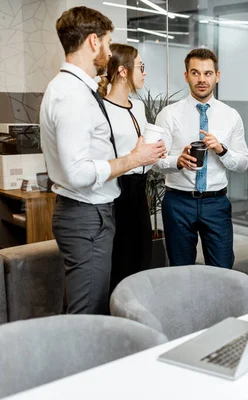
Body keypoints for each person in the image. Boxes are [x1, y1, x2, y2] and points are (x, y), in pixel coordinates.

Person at [39, 7, 166, 314]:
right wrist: (133, 159)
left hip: (90, 213)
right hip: (86, 214)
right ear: (93, 42)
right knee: (89, 312)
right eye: (108, 44)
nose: (110, 53)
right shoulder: (73, 95)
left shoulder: (75, 89)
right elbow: (77, 172)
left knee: (94, 305)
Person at [154, 48, 248, 268]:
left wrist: (222, 150)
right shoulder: (168, 115)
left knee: (223, 268)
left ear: (217, 76)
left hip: (216, 203)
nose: (202, 79)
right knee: (181, 268)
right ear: (186, 75)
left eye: (208, 73)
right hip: (178, 202)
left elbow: (243, 163)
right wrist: (177, 161)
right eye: (195, 73)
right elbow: (155, 162)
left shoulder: (231, 115)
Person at [97, 43, 152, 293]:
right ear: (122, 71)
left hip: (140, 189)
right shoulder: (101, 109)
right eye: (141, 66)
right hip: (116, 190)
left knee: (142, 256)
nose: (144, 72)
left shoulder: (138, 106)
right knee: (120, 259)